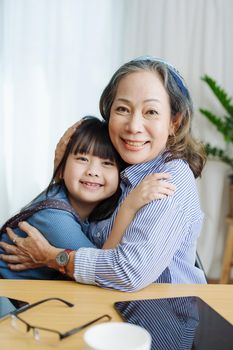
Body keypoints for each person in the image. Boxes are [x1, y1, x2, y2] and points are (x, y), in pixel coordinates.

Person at [0, 56, 206, 291]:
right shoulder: (126, 168)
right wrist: (61, 170)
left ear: (174, 122)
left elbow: (127, 272)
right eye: (122, 109)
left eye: (151, 112)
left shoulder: (166, 180)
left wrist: (53, 257)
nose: (133, 126)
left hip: (160, 313)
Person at [0, 116, 174, 280]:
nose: (92, 171)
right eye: (82, 159)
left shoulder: (81, 204)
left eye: (107, 163)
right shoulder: (53, 216)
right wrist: (129, 207)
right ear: (62, 167)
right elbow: (103, 270)